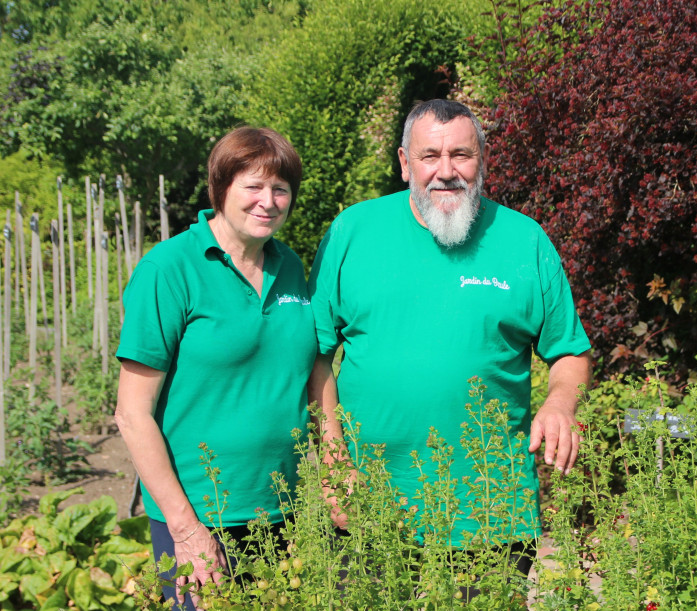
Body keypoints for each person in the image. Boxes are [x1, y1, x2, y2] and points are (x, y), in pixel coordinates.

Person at [308, 99, 592, 584]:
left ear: (482, 159)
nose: (446, 171)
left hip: (491, 512)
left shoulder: (524, 241)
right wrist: (335, 466)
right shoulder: (351, 233)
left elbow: (568, 350)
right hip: (369, 506)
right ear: (403, 164)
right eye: (429, 156)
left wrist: (561, 401)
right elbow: (314, 357)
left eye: (461, 154)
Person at [115, 127, 315, 611]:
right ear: (220, 188)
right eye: (253, 186)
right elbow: (131, 414)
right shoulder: (170, 269)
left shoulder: (290, 268)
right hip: (200, 515)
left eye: (280, 188)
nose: (267, 201)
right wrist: (185, 529)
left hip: (280, 511)